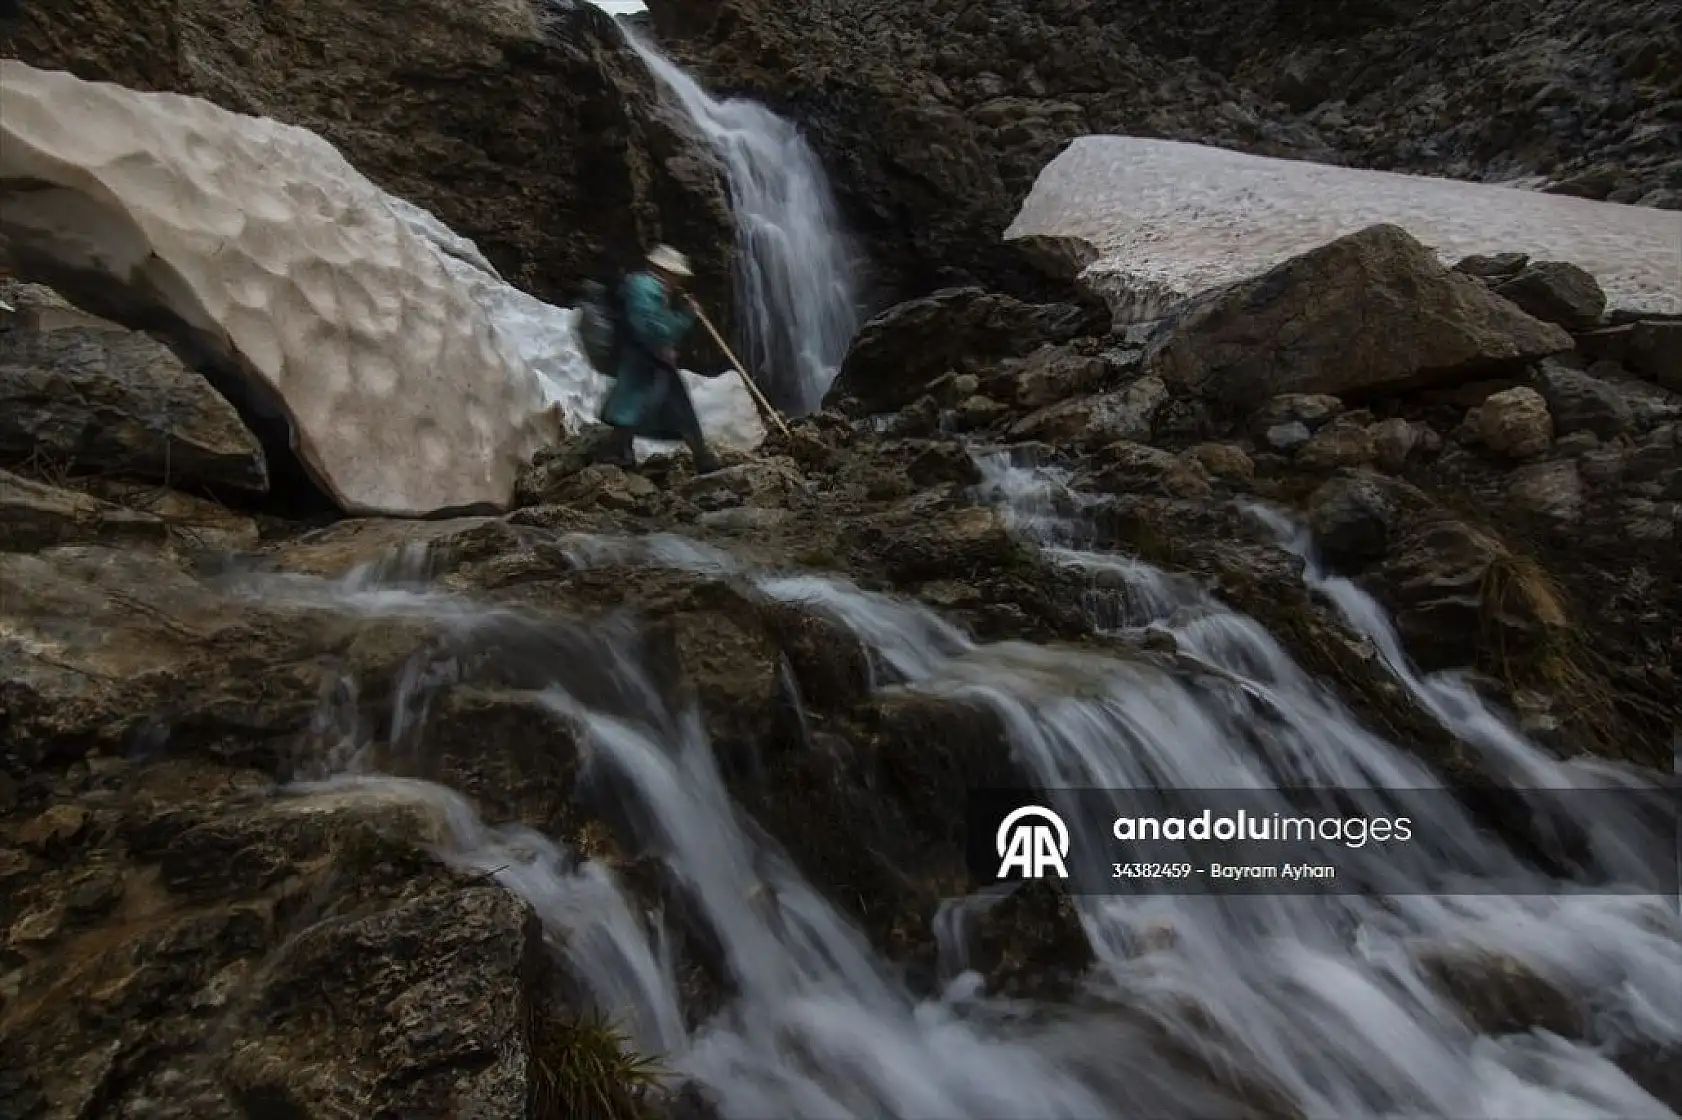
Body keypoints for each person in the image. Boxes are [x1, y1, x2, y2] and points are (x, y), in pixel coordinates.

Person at [596, 245, 723, 474]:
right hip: (645, 360)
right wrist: (685, 315)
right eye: (676, 275)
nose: (678, 281)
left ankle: (621, 451)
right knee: (659, 406)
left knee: (643, 405)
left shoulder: (646, 288)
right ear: (665, 271)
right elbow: (657, 330)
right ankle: (701, 458)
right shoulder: (645, 289)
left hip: (647, 360)